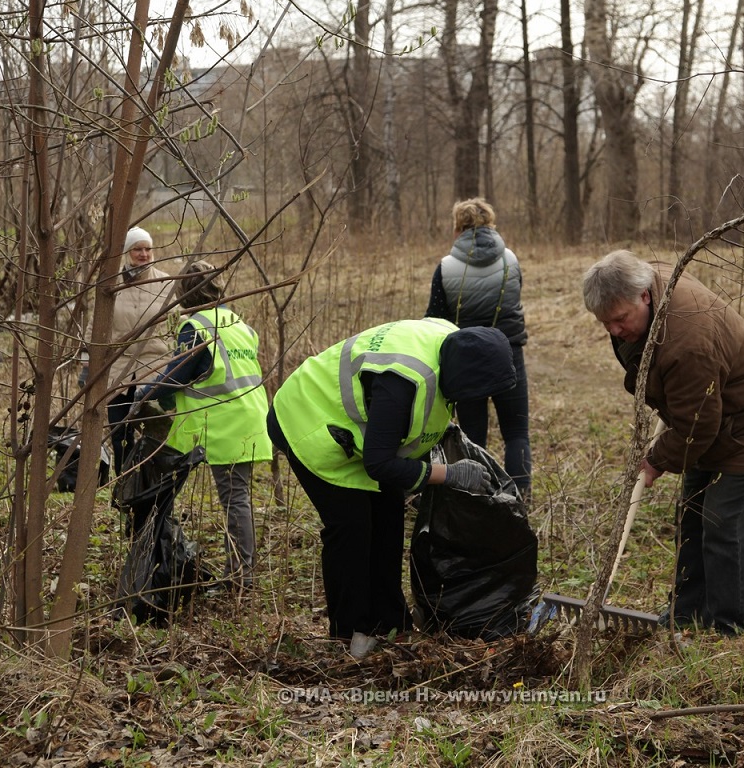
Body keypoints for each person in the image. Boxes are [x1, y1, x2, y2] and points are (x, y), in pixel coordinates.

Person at [266, 318, 516, 658]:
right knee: (352, 527)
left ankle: (390, 624)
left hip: (365, 436)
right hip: (310, 422)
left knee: (388, 520)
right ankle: (349, 636)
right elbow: (379, 464)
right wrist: (448, 474)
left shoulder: (457, 343)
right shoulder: (403, 383)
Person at [582, 250, 744, 635]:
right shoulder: (647, 281)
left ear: (644, 296)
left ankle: (732, 628)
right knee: (693, 514)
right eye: (605, 323)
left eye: (619, 320)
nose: (613, 330)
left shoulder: (687, 341)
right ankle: (688, 613)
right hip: (709, 411)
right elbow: (694, 414)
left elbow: (696, 427)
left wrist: (655, 460)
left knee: (725, 523)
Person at [134, 261, 271, 591]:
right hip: (250, 417)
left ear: (184, 293)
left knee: (235, 500)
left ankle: (239, 579)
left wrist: (140, 394)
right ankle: (239, 574)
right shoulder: (238, 322)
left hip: (227, 425)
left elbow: (174, 377)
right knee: (238, 498)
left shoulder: (196, 327)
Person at [425, 197, 531, 498]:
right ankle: (520, 496)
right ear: (490, 223)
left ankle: (479, 496)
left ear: (458, 227)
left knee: (472, 436)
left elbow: (434, 318)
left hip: (467, 359)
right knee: (516, 432)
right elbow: (515, 299)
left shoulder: (446, 267)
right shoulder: (511, 259)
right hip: (509, 352)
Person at [80, 227, 175, 472]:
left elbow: (178, 328)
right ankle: (124, 486)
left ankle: (152, 490)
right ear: (126, 252)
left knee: (155, 437)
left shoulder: (166, 283)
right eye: (137, 249)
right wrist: (86, 363)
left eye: (147, 249)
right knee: (120, 436)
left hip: (155, 371)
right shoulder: (110, 286)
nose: (143, 254)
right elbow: (95, 328)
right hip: (119, 374)